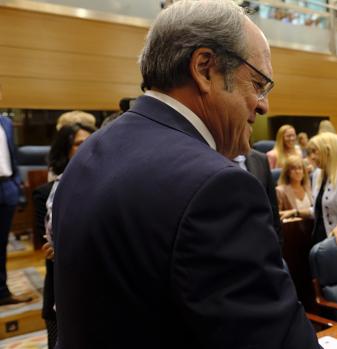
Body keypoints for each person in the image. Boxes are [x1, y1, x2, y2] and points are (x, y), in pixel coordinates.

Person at [51, 1, 319, 348]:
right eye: (257, 83)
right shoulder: (217, 188)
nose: (263, 104)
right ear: (204, 68)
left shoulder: (92, 151)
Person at [33, 123, 95, 349]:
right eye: (79, 143)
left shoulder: (109, 186)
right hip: (61, 288)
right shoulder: (45, 193)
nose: (88, 146)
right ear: (65, 149)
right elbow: (43, 242)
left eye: (91, 140)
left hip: (100, 286)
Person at [282, 132, 337, 248]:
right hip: (319, 237)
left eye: (315, 152)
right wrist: (296, 212)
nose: (312, 157)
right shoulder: (317, 174)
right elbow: (318, 210)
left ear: (328, 151)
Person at [0, 115, 31, 306]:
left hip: (6, 187)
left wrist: (16, 184)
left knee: (2, 243)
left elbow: (12, 155)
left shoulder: (6, 122)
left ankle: (2, 292)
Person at [234, 149, 282, 243]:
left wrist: (278, 242)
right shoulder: (213, 159)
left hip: (264, 242)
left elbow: (272, 207)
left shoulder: (261, 158)